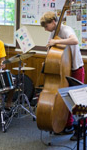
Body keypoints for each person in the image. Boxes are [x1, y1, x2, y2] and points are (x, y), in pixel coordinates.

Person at [40, 11, 85, 141]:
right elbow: (52, 49)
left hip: (76, 68)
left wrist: (56, 41)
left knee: (77, 101)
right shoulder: (52, 33)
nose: (45, 29)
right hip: (63, 69)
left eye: (46, 26)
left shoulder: (66, 29)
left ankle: (82, 129)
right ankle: (68, 125)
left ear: (53, 22)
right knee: (65, 99)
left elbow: (75, 40)